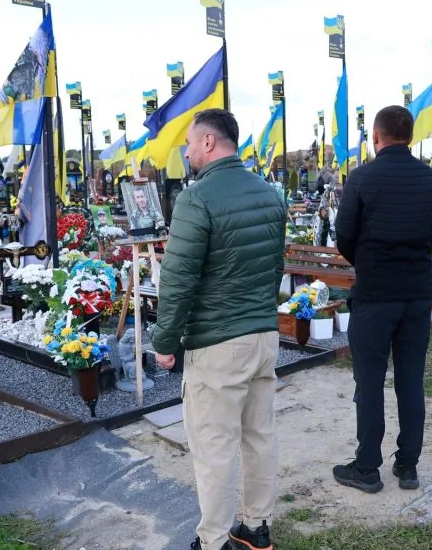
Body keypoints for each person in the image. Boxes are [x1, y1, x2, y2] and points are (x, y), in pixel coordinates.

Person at [152, 109, 288, 550]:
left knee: (214, 446)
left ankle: (213, 541)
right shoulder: (269, 194)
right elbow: (275, 268)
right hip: (263, 335)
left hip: (217, 342)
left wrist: (164, 341)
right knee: (259, 436)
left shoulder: (197, 198)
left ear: (209, 143)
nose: (187, 151)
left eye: (191, 143)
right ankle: (256, 527)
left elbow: (177, 279)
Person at [331, 106, 432, 493]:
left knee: (369, 383)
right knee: (411, 381)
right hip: (415, 295)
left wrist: (367, 261)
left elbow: (344, 235)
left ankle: (367, 467)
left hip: (375, 293)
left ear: (376, 137)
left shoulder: (362, 178)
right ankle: (408, 465)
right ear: (410, 137)